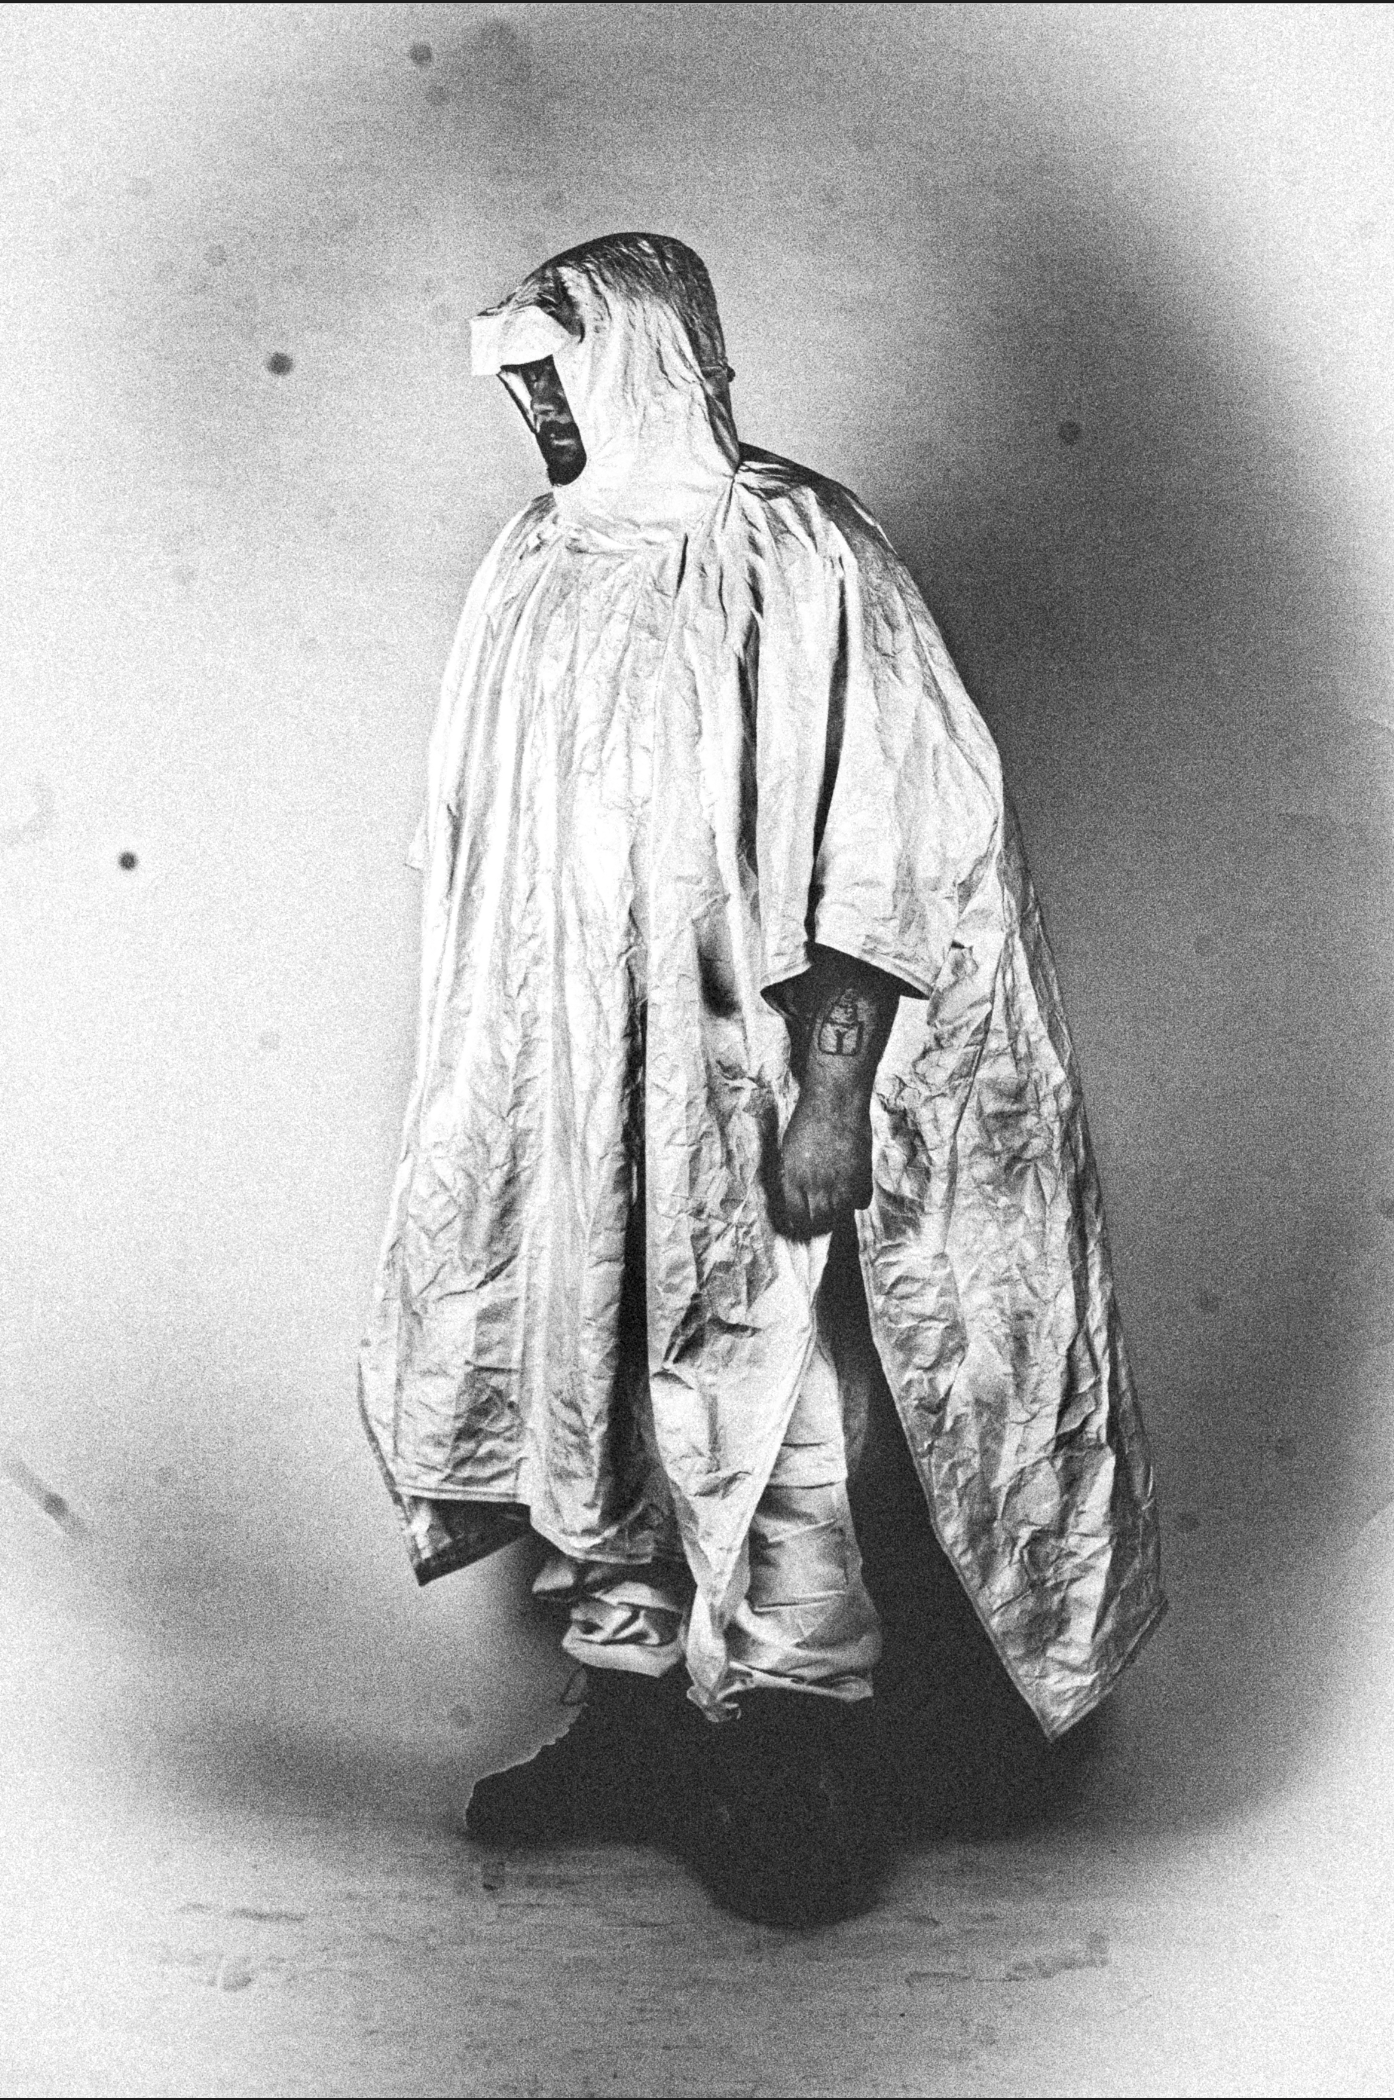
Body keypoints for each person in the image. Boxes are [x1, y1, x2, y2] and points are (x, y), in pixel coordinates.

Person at [358, 232, 1164, 1926]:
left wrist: (832, 1095)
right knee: (592, 1372)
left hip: (745, 1069)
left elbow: (892, 838)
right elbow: (479, 845)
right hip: (578, 1080)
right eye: (519, 385)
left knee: (772, 1390)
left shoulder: (801, 551)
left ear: (647, 359)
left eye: (559, 376)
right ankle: (635, 1709)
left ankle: (794, 1737)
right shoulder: (534, 565)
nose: (537, 413)